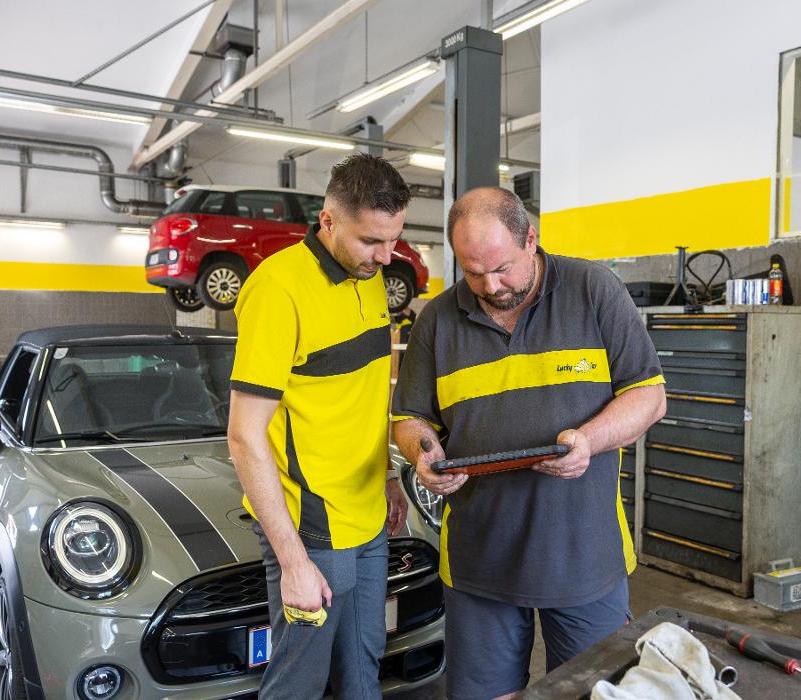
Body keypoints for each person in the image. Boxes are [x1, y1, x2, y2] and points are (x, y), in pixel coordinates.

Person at [392, 187, 667, 700]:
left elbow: (649, 395)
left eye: (502, 268)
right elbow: (410, 418)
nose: (491, 286)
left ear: (531, 239)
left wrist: (588, 440)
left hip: (584, 556)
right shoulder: (437, 319)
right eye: (473, 273)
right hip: (479, 559)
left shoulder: (593, 290)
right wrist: (423, 452)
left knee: (591, 692)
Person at [227, 153, 411, 699]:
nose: (385, 256)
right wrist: (293, 561)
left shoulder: (371, 276)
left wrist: (389, 475)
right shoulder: (277, 289)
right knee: (299, 683)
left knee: (363, 667)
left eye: (394, 240)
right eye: (371, 241)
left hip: (369, 517)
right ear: (328, 221)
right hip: (313, 529)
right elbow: (244, 435)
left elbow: (365, 393)